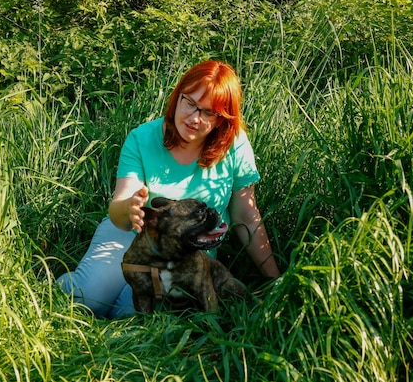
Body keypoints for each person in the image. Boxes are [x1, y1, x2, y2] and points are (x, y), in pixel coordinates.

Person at [57, 60, 280, 318]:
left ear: (221, 120)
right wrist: (130, 208)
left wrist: (274, 281)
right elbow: (119, 210)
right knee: (90, 298)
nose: (195, 118)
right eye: (190, 103)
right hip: (130, 235)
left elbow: (246, 216)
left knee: (126, 315)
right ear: (178, 97)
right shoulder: (142, 138)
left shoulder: (235, 146)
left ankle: (120, 293)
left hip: (186, 252)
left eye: (208, 112)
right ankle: (57, 287)